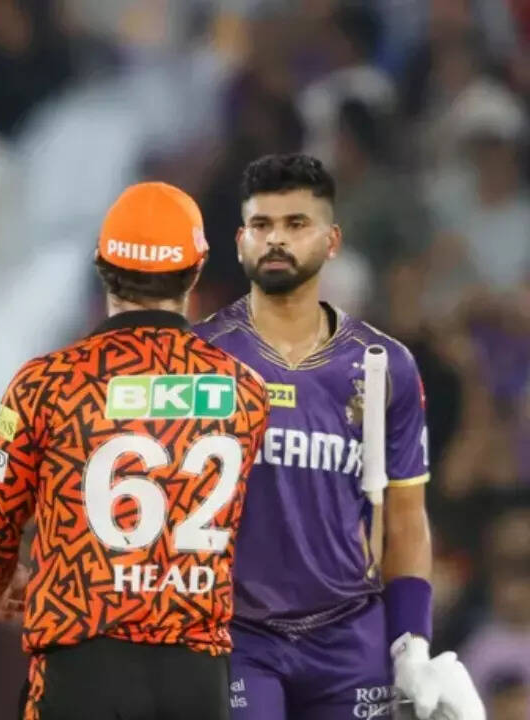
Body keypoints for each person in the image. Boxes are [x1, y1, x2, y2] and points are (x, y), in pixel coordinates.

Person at [193, 153, 484, 720]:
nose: (277, 239)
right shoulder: (199, 358)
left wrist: (411, 643)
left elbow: (405, 517)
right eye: (262, 225)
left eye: (296, 224)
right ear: (240, 241)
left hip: (349, 637)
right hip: (237, 634)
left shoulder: (385, 366)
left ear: (331, 241)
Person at [0, 182, 271, 719]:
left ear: (102, 267)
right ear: (196, 270)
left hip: (83, 666)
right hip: (197, 676)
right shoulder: (246, 390)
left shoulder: (45, 384)